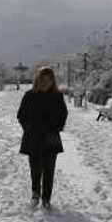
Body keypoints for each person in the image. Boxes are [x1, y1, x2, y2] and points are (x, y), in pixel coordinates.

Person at [17, 66, 68, 209]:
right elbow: (21, 115)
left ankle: (46, 198)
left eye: (48, 80)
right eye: (42, 79)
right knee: (35, 168)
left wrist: (55, 127)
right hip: (33, 138)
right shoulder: (29, 95)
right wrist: (29, 128)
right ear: (37, 80)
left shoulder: (57, 96)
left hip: (50, 138)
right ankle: (35, 194)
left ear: (53, 81)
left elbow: (63, 115)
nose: (45, 82)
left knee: (49, 169)